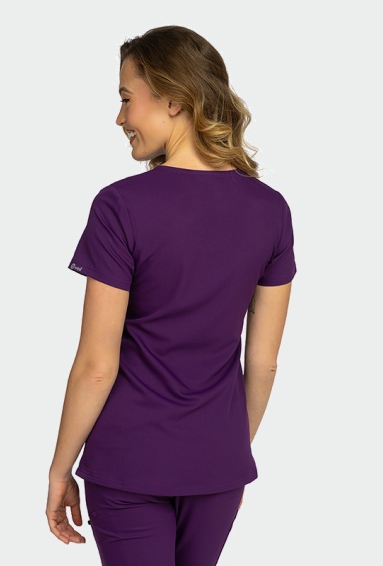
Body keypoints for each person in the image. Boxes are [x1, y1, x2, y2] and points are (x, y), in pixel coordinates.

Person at [46, 25, 297, 565]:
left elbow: (96, 365)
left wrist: (59, 469)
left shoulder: (121, 206)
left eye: (126, 99)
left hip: (128, 463)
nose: (120, 118)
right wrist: (228, 454)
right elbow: (264, 362)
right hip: (218, 467)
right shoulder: (271, 210)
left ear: (175, 100)